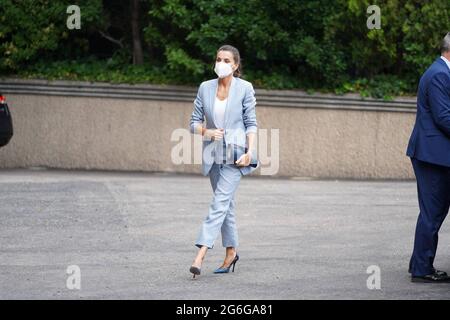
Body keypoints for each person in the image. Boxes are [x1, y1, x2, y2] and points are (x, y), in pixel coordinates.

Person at [188, 44, 259, 278]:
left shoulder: (245, 88)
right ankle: (231, 253)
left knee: (218, 204)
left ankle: (200, 255)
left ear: (236, 65)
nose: (221, 63)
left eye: (227, 60)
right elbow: (193, 122)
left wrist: (251, 150)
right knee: (226, 205)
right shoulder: (205, 88)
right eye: (219, 59)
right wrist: (207, 133)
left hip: (236, 156)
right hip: (213, 155)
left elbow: (251, 122)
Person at [406, 32, 450, 283]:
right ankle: (422, 270)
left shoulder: (440, 72)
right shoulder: (439, 75)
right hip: (432, 157)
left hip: (435, 155)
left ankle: (419, 263)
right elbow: (444, 117)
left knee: (433, 212)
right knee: (432, 213)